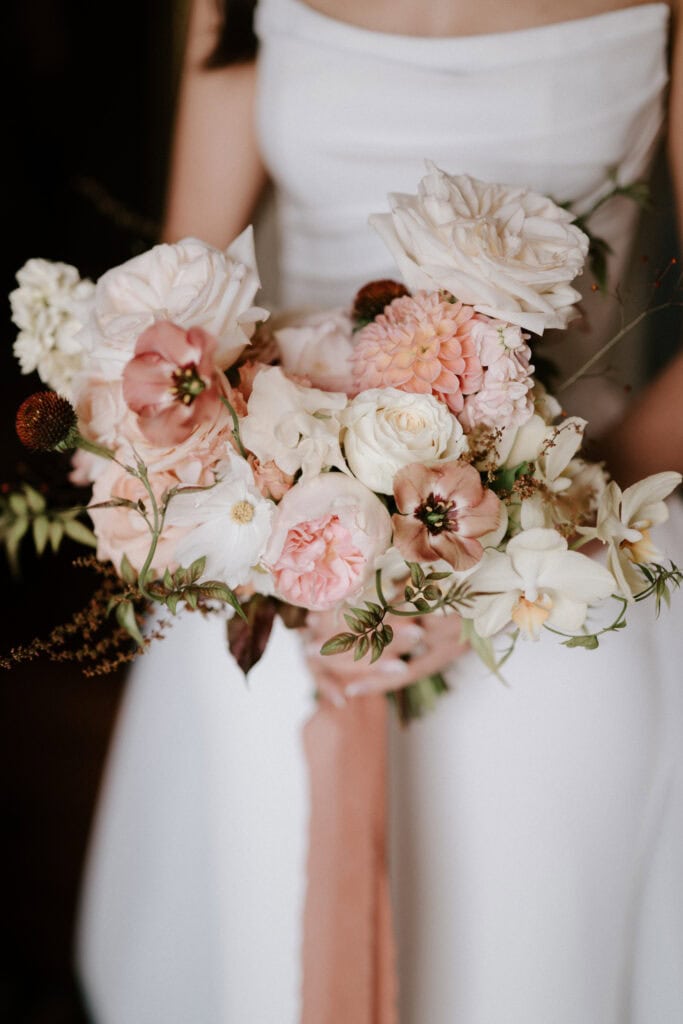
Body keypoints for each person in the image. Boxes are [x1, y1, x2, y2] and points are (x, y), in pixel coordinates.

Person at [76, 1, 683, 1021]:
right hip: (272, 544)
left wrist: (514, 533)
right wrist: (282, 502)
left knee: (530, 948)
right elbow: (172, 301)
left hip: (562, 558)